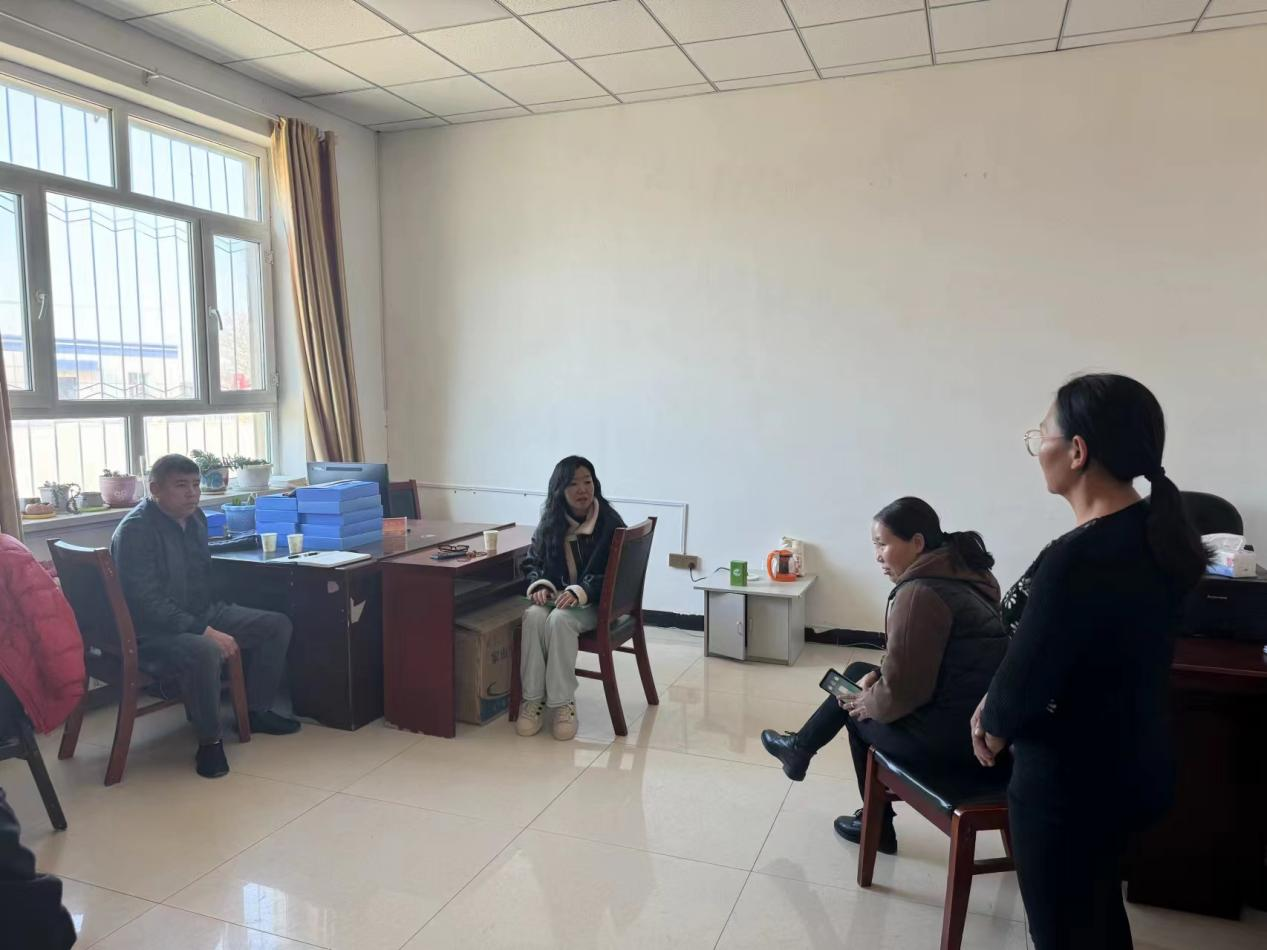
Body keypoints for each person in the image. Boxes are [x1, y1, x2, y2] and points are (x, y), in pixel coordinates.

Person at [972, 374, 1208, 950]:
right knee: (1095, 914)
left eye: (1042, 436)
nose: (1038, 450)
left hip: (1067, 782)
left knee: (1063, 929)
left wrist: (991, 724)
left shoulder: (1078, 558)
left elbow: (1029, 675)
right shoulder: (1154, 534)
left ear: (1077, 451)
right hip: (1131, 763)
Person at [762, 497, 1008, 853]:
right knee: (859, 673)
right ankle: (801, 749)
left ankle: (875, 825)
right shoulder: (968, 575)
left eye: (882, 544)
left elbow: (903, 695)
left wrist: (866, 702)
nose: (877, 556)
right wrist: (877, 677)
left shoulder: (920, 592)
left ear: (917, 543)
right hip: (973, 723)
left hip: (948, 741)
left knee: (853, 710)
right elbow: (937, 660)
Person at [111, 453, 301, 779]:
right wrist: (204, 629)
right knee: (206, 649)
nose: (192, 493)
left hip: (200, 612)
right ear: (155, 489)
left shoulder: (196, 518)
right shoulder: (136, 531)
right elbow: (147, 603)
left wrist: (215, 617)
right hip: (155, 631)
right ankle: (210, 741)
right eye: (181, 485)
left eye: (196, 485)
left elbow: (202, 577)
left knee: (276, 624)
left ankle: (256, 711)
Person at [515, 456, 624, 741]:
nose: (582, 490)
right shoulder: (551, 521)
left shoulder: (609, 523)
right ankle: (533, 699)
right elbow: (532, 561)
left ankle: (563, 703)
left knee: (560, 621)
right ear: (559, 490)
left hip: (598, 605)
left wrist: (582, 591)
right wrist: (540, 584)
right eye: (573, 484)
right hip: (559, 599)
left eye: (587, 482)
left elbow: (616, 574)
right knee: (533, 615)